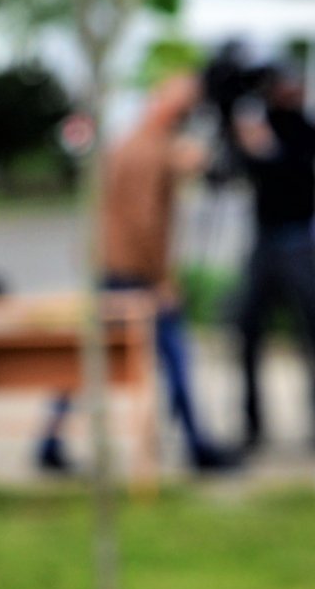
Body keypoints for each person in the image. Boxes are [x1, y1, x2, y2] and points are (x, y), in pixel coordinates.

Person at [38, 73, 237, 474]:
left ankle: (49, 441)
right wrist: (160, 278)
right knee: (174, 355)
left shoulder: (126, 142)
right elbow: (145, 220)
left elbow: (104, 205)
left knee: (90, 356)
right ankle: (197, 446)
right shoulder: (153, 152)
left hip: (111, 264)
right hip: (135, 273)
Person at [225, 65, 315, 453]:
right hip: (265, 241)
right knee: (248, 330)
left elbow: (296, 173)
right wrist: (246, 144)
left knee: (314, 333)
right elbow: (238, 169)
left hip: (298, 240)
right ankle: (252, 423)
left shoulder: (308, 129)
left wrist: (265, 150)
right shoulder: (258, 125)